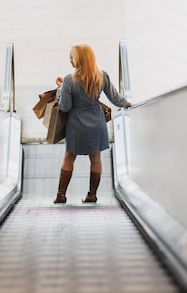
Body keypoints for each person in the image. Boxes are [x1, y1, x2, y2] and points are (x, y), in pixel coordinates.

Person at [53, 44, 131, 204]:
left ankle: (61, 195)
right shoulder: (102, 76)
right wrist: (130, 104)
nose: (70, 60)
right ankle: (92, 195)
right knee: (95, 159)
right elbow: (116, 99)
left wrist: (60, 89)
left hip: (76, 124)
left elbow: (65, 107)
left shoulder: (69, 79)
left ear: (79, 59)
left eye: (72, 57)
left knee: (69, 158)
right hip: (97, 123)